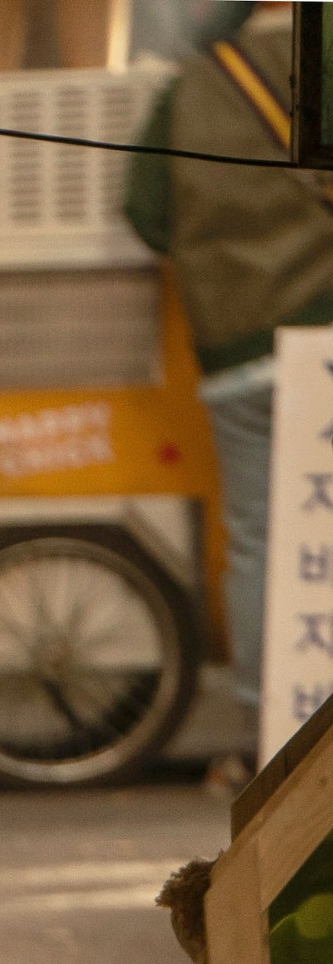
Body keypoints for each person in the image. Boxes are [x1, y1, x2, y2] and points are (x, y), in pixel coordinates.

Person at [127, 1, 333, 735]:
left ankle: (269, 729)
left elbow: (146, 212)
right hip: (324, 338)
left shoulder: (192, 85)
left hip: (235, 353)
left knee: (258, 544)